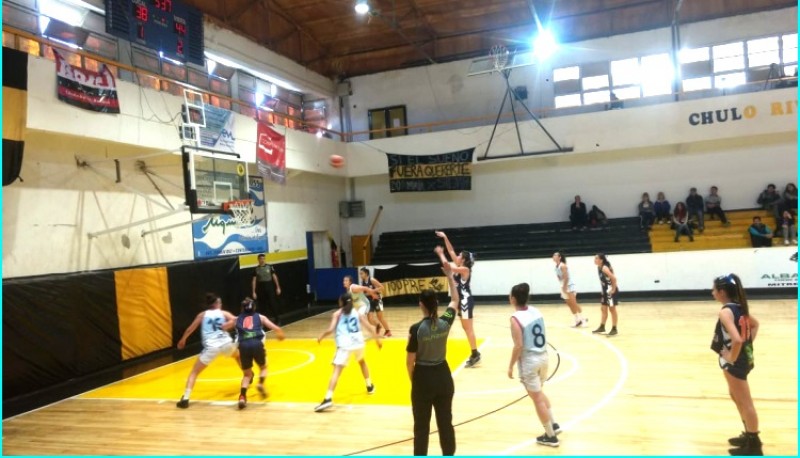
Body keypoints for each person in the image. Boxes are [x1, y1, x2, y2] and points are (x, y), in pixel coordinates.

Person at [408, 248, 460, 456]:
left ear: (421, 305)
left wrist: (416, 382)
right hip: (444, 376)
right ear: (437, 304)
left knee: (421, 428)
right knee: (446, 424)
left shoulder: (416, 329)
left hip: (423, 378)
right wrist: (449, 276)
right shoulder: (446, 321)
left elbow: (409, 362)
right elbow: (455, 300)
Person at [710, 273, 761, 456]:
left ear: (722, 292)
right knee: (735, 396)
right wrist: (746, 344)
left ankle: (755, 445)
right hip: (742, 358)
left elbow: (738, 339)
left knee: (745, 402)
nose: (712, 292)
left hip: (736, 361)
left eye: (715, 289)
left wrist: (731, 356)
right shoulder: (739, 307)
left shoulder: (725, 311)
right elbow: (755, 326)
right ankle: (748, 434)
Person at [507, 282, 561, 447]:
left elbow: (518, 345)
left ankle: (551, 436)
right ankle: (554, 424)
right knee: (539, 393)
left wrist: (510, 366)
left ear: (513, 299)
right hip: (544, 357)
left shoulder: (515, 318)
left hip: (530, 360)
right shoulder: (536, 311)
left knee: (536, 398)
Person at [314, 292, 382, 412]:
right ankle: (369, 386)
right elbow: (369, 327)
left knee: (336, 371)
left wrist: (321, 336)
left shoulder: (337, 314)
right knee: (362, 362)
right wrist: (377, 340)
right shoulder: (357, 313)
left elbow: (330, 330)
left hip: (345, 344)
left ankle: (328, 398)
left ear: (341, 302)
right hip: (358, 342)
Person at [176, 292, 239, 408]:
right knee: (238, 356)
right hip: (225, 343)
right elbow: (236, 320)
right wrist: (229, 324)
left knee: (194, 372)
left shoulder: (202, 315)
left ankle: (185, 398)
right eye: (220, 303)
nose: (221, 304)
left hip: (211, 347)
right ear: (215, 304)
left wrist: (182, 340)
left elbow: (190, 329)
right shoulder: (223, 313)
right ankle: (248, 375)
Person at [223, 298, 285, 409]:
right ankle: (260, 383)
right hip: (257, 344)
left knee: (247, 375)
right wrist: (280, 334)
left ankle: (242, 396)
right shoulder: (261, 317)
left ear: (242, 308)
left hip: (243, 346)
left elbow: (223, 328)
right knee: (264, 367)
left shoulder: (236, 319)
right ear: (254, 307)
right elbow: (275, 328)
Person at [435, 231, 481, 367]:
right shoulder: (461, 265)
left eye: (460, 255)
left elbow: (449, 267)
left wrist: (440, 254)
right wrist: (445, 237)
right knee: (465, 328)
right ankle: (474, 352)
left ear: (464, 260)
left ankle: (475, 353)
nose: (458, 255)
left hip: (465, 301)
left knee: (468, 329)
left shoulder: (465, 269)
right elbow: (451, 250)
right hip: (459, 300)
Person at [552, 251, 587, 327]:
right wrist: (562, 285)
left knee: (574, 303)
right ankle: (577, 320)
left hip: (569, 286)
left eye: (555, 255)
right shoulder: (556, 267)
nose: (553, 257)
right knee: (569, 304)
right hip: (563, 286)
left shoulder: (563, 265)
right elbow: (560, 277)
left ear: (560, 257)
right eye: (553, 255)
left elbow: (566, 277)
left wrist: (564, 287)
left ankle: (583, 319)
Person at [359, 267, 393, 337]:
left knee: (380, 317)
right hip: (369, 302)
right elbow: (364, 294)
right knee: (370, 319)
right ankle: (378, 326)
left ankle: (388, 331)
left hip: (377, 300)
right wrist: (369, 294)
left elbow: (382, 287)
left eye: (362, 273)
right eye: (360, 274)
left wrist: (373, 291)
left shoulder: (372, 280)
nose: (360, 275)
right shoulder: (362, 282)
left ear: (366, 273)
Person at [591, 254, 619, 336]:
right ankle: (602, 327)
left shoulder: (604, 267)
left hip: (610, 290)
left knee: (612, 309)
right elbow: (602, 280)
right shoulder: (599, 267)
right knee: (603, 309)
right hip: (605, 290)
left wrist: (613, 289)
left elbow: (613, 278)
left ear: (601, 260)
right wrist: (602, 290)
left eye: (596, 258)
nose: (594, 259)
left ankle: (614, 328)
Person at [252, 254, 282, 324]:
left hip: (269, 286)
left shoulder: (270, 267)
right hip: (261, 287)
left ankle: (277, 319)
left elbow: (274, 277)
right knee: (262, 305)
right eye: (261, 259)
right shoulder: (256, 269)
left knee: (272, 303)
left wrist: (278, 287)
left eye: (263, 259)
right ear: (258, 260)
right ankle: (264, 322)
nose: (262, 260)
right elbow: (254, 281)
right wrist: (253, 292)